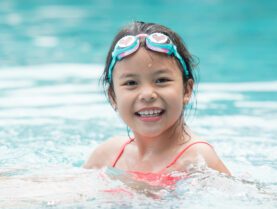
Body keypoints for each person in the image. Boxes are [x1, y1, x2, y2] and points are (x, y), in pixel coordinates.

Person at [84, 21, 231, 179]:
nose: (147, 94)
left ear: (187, 90)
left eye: (161, 80)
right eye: (131, 83)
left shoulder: (198, 161)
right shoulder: (107, 156)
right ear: (113, 96)